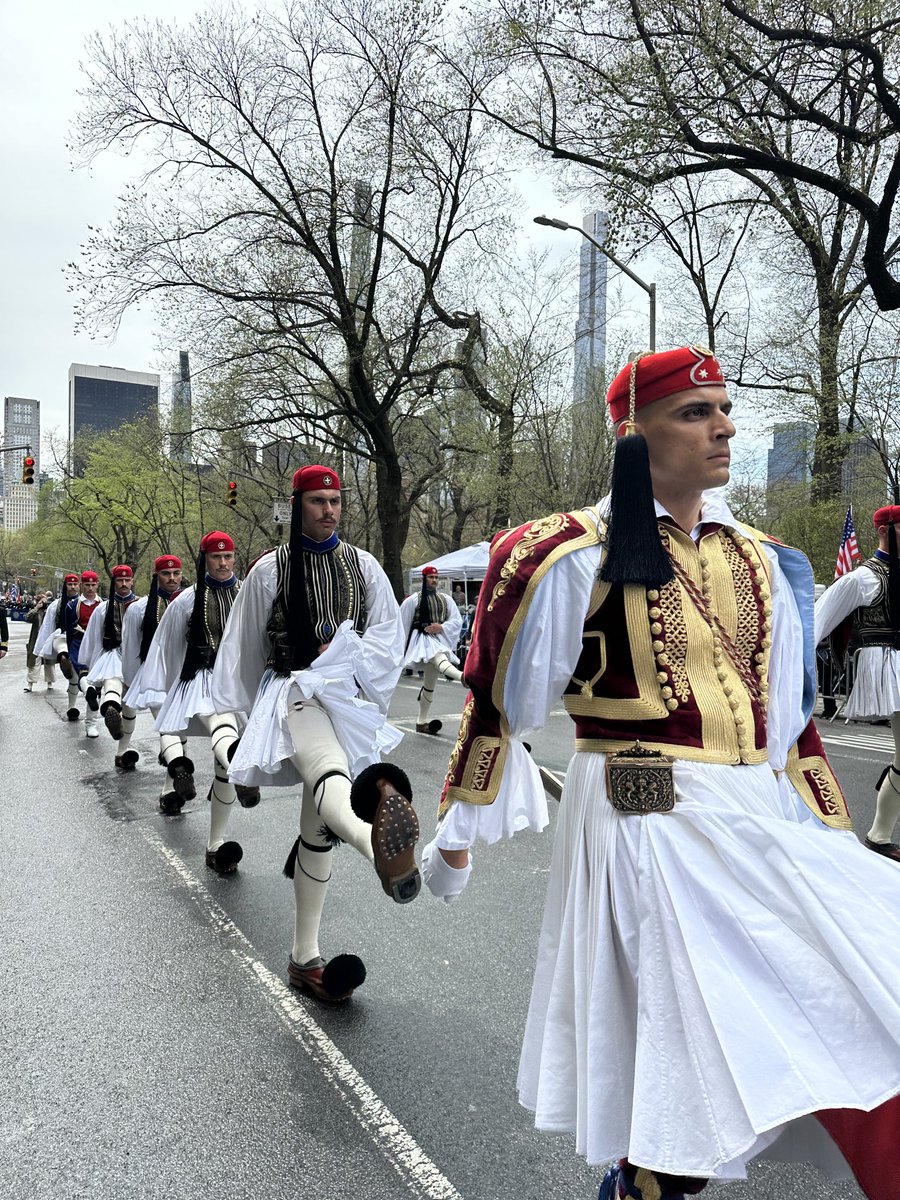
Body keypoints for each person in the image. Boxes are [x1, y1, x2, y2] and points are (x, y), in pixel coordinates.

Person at [421, 346, 900, 1200]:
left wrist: (834, 841)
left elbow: (791, 727)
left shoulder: (763, 556)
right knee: (698, 1067)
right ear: (632, 433)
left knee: (858, 995)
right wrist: (456, 840)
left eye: (723, 408)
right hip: (650, 825)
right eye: (695, 412)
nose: (723, 426)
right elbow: (496, 703)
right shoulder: (565, 554)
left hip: (757, 819)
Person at [211, 465, 416, 1003]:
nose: (329, 510)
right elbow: (246, 646)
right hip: (293, 691)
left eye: (335, 501)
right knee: (331, 775)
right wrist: (248, 718)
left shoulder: (364, 567)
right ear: (297, 504)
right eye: (318, 501)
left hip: (343, 696)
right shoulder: (269, 570)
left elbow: (386, 639)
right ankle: (376, 847)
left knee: (315, 829)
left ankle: (305, 959)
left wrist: (346, 659)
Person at [137, 531, 259, 848]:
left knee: (222, 767)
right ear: (205, 559)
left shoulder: (247, 593)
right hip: (202, 678)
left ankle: (216, 844)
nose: (223, 562)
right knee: (223, 723)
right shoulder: (186, 601)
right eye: (216, 557)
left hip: (236, 678)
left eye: (228, 556)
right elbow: (169, 648)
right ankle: (239, 768)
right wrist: (175, 688)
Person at [815, 504, 900, 860]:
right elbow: (818, 621)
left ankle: (881, 835)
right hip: (886, 668)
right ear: (886, 531)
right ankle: (879, 836)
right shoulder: (864, 577)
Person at [122, 554, 187, 806]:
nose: (172, 578)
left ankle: (172, 784)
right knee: (168, 726)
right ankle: (170, 789)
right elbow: (130, 649)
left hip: (183, 675)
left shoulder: (190, 602)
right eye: (166, 574)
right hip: (154, 675)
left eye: (176, 573)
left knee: (179, 732)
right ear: (156, 576)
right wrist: (130, 681)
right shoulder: (138, 608)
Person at [80, 565, 140, 767]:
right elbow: (94, 639)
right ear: (114, 582)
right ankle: (111, 706)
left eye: (127, 580)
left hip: (136, 658)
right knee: (112, 680)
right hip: (112, 654)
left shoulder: (141, 606)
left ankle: (122, 752)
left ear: (132, 581)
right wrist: (92, 665)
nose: (123, 584)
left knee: (130, 705)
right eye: (119, 580)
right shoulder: (102, 609)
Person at [400, 566, 464, 734]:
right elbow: (403, 624)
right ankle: (464, 677)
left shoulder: (445, 599)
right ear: (424, 579)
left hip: (438, 638)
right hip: (422, 639)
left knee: (429, 685)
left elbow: (456, 621)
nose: (434, 580)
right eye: (431, 577)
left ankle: (421, 722)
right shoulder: (413, 600)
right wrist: (401, 650)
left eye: (436, 577)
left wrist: (441, 627)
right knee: (439, 657)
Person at [63, 570, 102, 737]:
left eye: (93, 585)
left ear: (97, 585)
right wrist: (69, 649)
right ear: (82, 585)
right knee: (83, 672)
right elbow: (69, 630)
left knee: (96, 682)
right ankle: (88, 693)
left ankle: (91, 723)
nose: (91, 588)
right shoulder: (72, 606)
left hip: (98, 644)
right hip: (79, 643)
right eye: (87, 585)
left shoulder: (104, 604)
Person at [38, 574, 83, 719]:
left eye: (75, 584)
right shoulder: (56, 605)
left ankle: (72, 707)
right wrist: (43, 646)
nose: (73, 587)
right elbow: (47, 626)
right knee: (62, 646)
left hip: (79, 641)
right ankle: (63, 658)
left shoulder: (84, 603)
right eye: (70, 584)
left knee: (75, 678)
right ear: (65, 586)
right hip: (61, 636)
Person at [24, 592, 55, 692]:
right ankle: (30, 684)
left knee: (49, 662)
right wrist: (37, 607)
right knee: (33, 662)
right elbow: (27, 617)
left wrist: (48, 607)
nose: (44, 604)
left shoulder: (49, 611)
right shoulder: (35, 612)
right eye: (42, 602)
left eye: (45, 601)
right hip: (36, 640)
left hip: (47, 639)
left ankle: (50, 683)